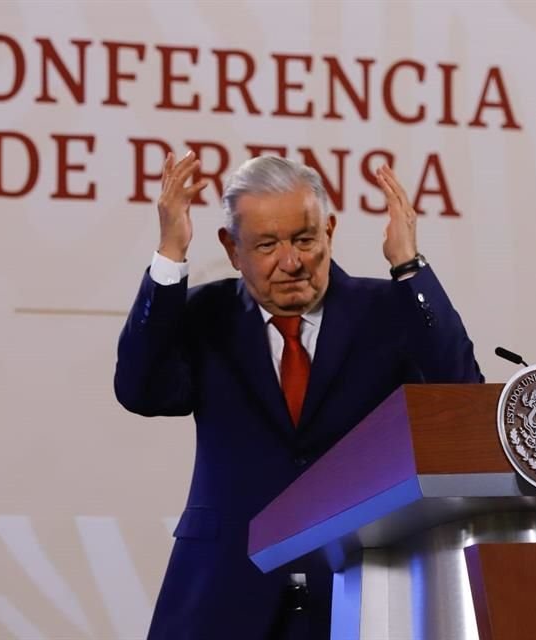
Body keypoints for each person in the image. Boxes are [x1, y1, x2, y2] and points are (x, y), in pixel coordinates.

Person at [114, 152, 483, 639]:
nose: (290, 262)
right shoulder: (206, 315)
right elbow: (141, 390)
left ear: (329, 230)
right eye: (266, 245)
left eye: (304, 239)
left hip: (361, 591)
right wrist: (170, 253)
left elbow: (462, 396)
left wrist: (408, 265)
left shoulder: (388, 311)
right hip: (224, 594)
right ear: (232, 249)